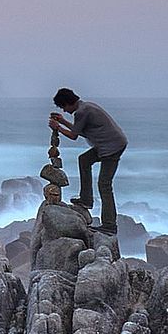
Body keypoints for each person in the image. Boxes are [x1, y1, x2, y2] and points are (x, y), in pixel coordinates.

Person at [49, 88, 127, 235]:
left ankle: (110, 225)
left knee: (104, 185)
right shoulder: (85, 107)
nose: (65, 111)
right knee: (84, 160)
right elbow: (81, 131)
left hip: (113, 146)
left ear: (68, 102)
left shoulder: (82, 112)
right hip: (107, 144)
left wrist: (58, 127)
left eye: (63, 107)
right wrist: (63, 121)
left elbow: (73, 136)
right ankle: (86, 199)